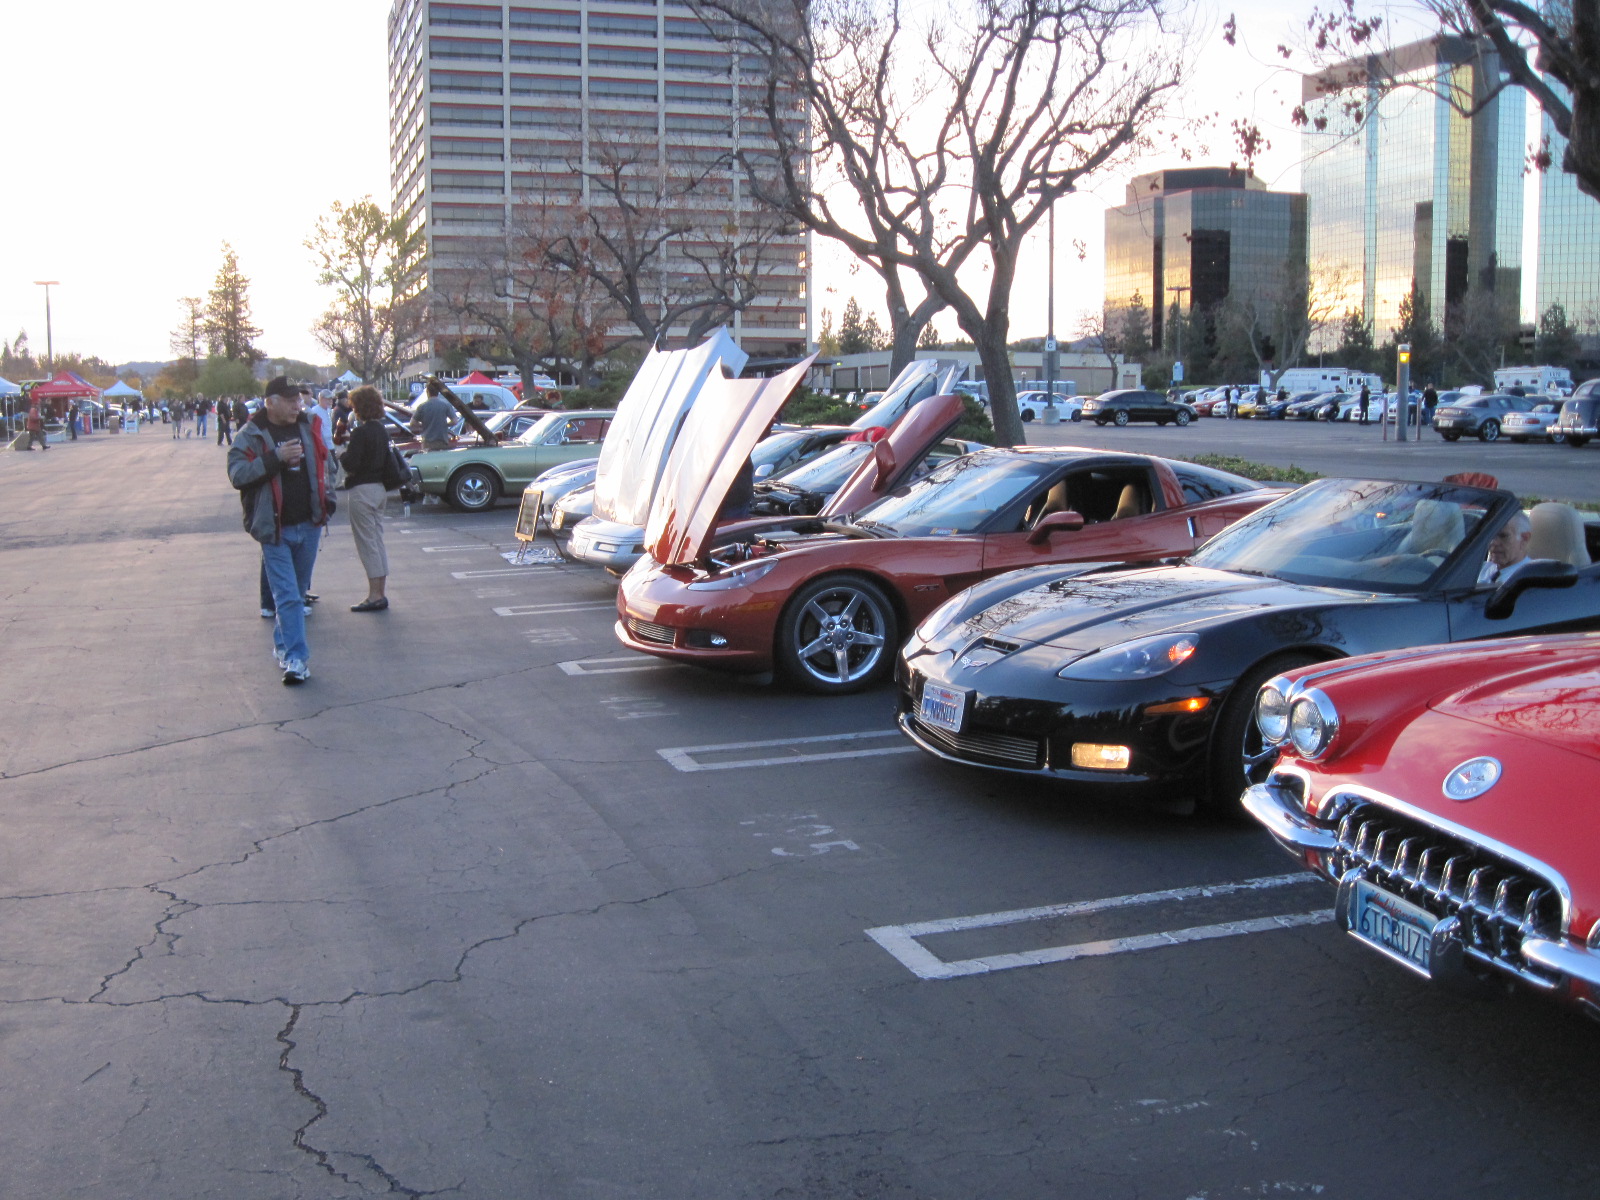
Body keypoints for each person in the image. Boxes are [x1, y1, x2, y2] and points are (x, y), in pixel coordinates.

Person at [228, 376, 336, 685]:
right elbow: (238, 475)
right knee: (288, 597)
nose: (297, 405)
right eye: (290, 400)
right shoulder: (250, 435)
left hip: (310, 523)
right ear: (270, 401)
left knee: (297, 593)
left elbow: (325, 462)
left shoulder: (307, 425)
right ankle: (296, 659)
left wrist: (328, 498)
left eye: (299, 400)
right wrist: (276, 458)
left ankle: (282, 643)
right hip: (273, 528)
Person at [340, 385, 394, 612]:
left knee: (367, 543)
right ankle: (380, 591)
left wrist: (342, 452)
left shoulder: (360, 433)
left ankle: (374, 595)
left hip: (362, 489)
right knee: (376, 540)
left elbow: (351, 462)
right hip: (380, 488)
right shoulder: (381, 429)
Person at [1478, 511, 1535, 586]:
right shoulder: (1481, 569)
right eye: (1490, 535)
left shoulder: (1530, 579)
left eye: (1503, 536)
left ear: (1524, 538)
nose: (1493, 542)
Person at [410, 379, 454, 452]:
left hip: (427, 442)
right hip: (442, 440)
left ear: (427, 392)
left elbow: (412, 423)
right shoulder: (446, 405)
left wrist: (424, 425)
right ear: (438, 392)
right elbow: (455, 421)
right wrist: (443, 424)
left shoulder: (422, 406)